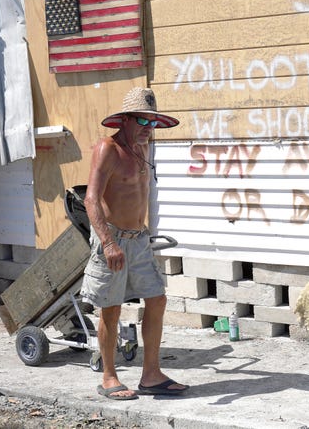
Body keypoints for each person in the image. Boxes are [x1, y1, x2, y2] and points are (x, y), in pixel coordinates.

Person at [81, 87, 188, 400]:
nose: (147, 128)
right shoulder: (108, 148)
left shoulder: (144, 147)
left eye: (153, 122)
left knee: (157, 300)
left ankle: (151, 375)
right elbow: (91, 199)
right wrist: (107, 242)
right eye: (142, 120)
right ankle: (109, 376)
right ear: (125, 120)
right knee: (110, 309)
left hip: (138, 239)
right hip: (112, 240)